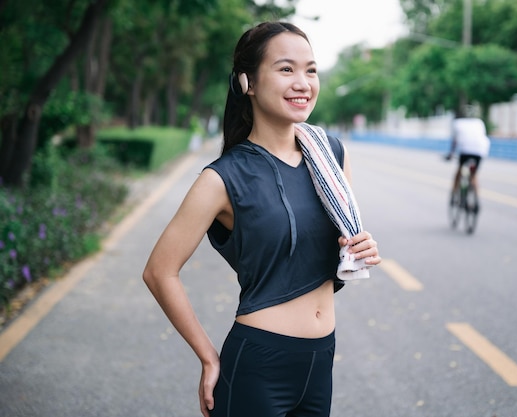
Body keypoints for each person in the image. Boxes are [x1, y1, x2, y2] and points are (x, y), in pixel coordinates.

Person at [142, 21, 381, 417]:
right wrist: (208, 357)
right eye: (286, 69)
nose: (303, 82)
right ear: (247, 82)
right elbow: (158, 271)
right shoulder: (222, 178)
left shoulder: (330, 155)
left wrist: (359, 249)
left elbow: (336, 252)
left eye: (311, 70)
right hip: (259, 363)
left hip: (321, 360)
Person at [445, 113, 491, 209]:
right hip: (480, 150)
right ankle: (477, 199)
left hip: (466, 150)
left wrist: (450, 154)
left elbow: (454, 142)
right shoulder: (479, 122)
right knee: (473, 175)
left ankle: (454, 194)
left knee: (458, 172)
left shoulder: (457, 123)